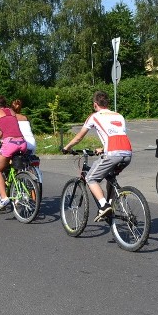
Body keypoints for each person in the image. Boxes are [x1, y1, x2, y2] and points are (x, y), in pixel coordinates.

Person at [62, 90, 133, 222]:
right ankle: (110, 205)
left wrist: (67, 147)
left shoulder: (94, 116)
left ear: (95, 104)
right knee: (110, 177)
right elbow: (115, 135)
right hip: (127, 152)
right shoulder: (119, 116)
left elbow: (79, 137)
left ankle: (104, 205)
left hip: (113, 153)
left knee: (90, 178)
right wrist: (103, 148)